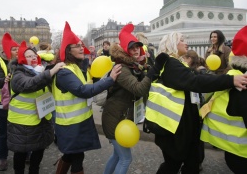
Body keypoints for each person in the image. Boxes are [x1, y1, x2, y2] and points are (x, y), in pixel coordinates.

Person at [143, 32, 247, 174]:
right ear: (172, 43)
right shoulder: (171, 64)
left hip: (182, 125)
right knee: (173, 165)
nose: (186, 43)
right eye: (182, 40)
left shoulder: (174, 63)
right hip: (176, 129)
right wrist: (230, 80)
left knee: (190, 163)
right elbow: (195, 82)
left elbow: (196, 78)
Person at [52, 21, 122, 174]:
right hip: (70, 124)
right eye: (77, 45)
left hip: (79, 122)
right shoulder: (64, 71)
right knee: (77, 157)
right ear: (68, 51)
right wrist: (109, 80)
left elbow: (89, 82)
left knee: (70, 155)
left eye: (80, 44)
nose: (81, 47)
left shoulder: (76, 67)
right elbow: (82, 90)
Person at [102, 24, 166, 174]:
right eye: (132, 47)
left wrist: (147, 68)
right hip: (114, 118)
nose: (136, 49)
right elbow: (139, 88)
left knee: (117, 155)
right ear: (125, 50)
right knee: (125, 159)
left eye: (137, 46)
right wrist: (153, 71)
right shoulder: (122, 69)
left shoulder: (134, 65)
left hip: (121, 116)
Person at [7, 41, 64, 174]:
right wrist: (52, 71)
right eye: (28, 56)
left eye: (34, 55)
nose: (32, 57)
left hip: (41, 120)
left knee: (39, 151)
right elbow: (30, 84)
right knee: (21, 154)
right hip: (22, 123)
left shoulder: (40, 70)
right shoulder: (18, 74)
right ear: (21, 59)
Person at [201, 26, 247, 173]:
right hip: (242, 152)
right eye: (211, 36)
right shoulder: (242, 83)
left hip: (232, 149)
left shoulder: (232, 76)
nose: (213, 39)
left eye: (215, 36)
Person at [0, 33, 20, 171]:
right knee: (4, 132)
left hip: (19, 104)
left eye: (18, 49)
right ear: (8, 51)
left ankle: (25, 153)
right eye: (14, 49)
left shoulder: (21, 62)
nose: (17, 51)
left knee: (21, 130)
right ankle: (2, 158)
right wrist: (5, 79)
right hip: (1, 105)